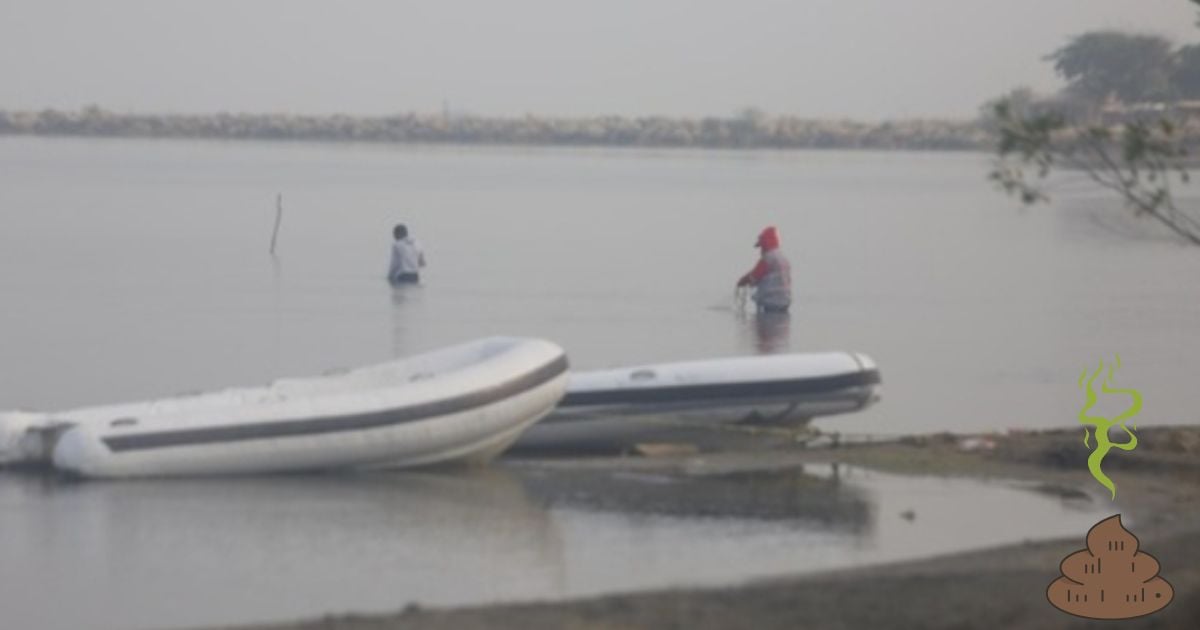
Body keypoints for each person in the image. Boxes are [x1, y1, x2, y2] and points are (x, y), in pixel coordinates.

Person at [736, 226, 791, 313]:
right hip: (785, 303)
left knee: (762, 322)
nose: (760, 250)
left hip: (770, 304)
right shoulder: (783, 259)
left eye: (761, 246)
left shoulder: (767, 259)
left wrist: (742, 281)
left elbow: (754, 276)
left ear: (765, 244)